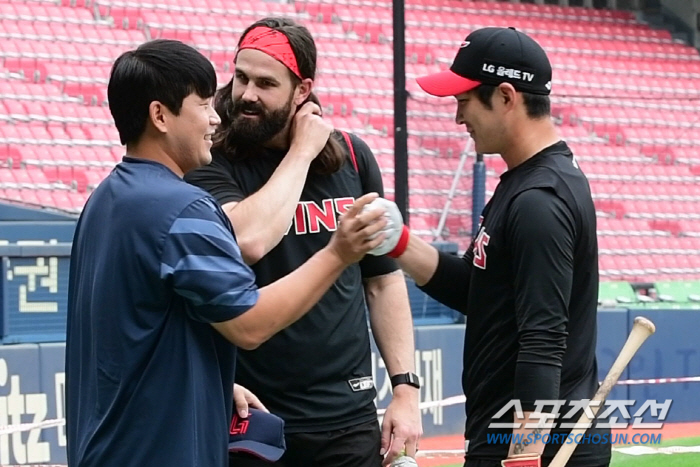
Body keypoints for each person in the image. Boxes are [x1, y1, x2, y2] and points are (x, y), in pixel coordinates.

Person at [65, 39, 388, 467]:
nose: (216, 118)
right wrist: (338, 253)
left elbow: (138, 330)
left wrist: (211, 381)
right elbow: (250, 325)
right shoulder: (183, 207)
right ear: (160, 115)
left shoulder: (105, 198)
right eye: (202, 104)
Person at [185, 17, 422, 467]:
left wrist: (405, 390)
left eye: (265, 83)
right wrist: (302, 151)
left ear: (301, 90)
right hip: (252, 417)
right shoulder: (208, 156)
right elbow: (247, 238)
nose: (247, 94)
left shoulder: (352, 156)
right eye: (240, 77)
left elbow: (382, 281)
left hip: (347, 418)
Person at [372, 27, 611, 467]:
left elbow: (543, 340)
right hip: (511, 437)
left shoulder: (540, 200)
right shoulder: (524, 184)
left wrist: (524, 454)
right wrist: (399, 243)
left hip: (531, 448)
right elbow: (474, 291)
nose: (458, 118)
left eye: (464, 102)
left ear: (505, 97)